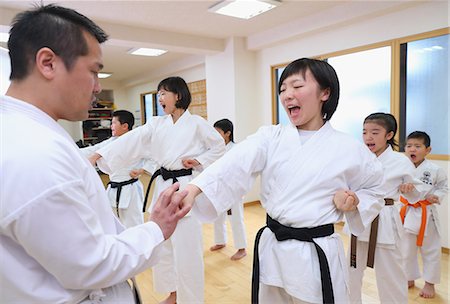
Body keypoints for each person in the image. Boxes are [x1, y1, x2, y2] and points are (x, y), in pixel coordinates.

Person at [0, 5, 190, 303]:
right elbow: (91, 265)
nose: (98, 88)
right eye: (93, 71)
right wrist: (156, 228)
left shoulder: (28, 133)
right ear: (47, 63)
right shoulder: (35, 154)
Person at [181, 58, 386, 304]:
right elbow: (236, 161)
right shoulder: (271, 137)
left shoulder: (350, 148)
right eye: (283, 89)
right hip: (273, 247)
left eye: (297, 86)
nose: (287, 95)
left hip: (315, 253)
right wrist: (194, 189)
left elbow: (376, 187)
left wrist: (355, 202)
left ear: (325, 92)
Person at [90, 76, 225, 304]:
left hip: (184, 188)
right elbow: (133, 138)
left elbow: (218, 147)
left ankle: (190, 299)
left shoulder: (197, 123)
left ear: (178, 96)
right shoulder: (156, 123)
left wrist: (199, 159)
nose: (160, 98)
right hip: (163, 185)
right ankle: (172, 293)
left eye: (164, 93)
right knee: (163, 245)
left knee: (187, 249)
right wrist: (99, 155)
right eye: (159, 93)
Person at [347, 113, 424, 304]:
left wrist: (409, 190)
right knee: (350, 273)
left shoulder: (401, 161)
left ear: (389, 135)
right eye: (364, 132)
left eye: (375, 132)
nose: (368, 137)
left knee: (391, 275)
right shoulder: (358, 158)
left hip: (385, 220)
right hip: (359, 218)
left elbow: (416, 193)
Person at [81, 110, 148, 228]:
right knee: (113, 224)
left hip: (130, 188)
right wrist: (68, 149)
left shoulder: (136, 140)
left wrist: (141, 170)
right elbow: (93, 150)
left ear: (125, 126)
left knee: (133, 224)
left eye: (113, 123)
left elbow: (152, 157)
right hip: (113, 188)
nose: (111, 126)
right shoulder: (111, 142)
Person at [401, 131, 448, 298]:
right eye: (409, 145)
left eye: (417, 146)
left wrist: (438, 196)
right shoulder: (401, 166)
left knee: (431, 250)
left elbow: (443, 186)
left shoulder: (435, 170)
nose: (412, 149)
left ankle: (430, 283)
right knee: (405, 249)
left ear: (428, 150)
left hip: (427, 214)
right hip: (407, 213)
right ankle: (408, 277)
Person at [209, 118, 248, 261]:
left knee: (236, 218)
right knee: (217, 216)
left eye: (218, 132)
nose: (215, 135)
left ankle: (241, 248)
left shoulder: (236, 149)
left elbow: (241, 171)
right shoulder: (216, 149)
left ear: (228, 133)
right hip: (219, 188)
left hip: (233, 190)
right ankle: (220, 241)